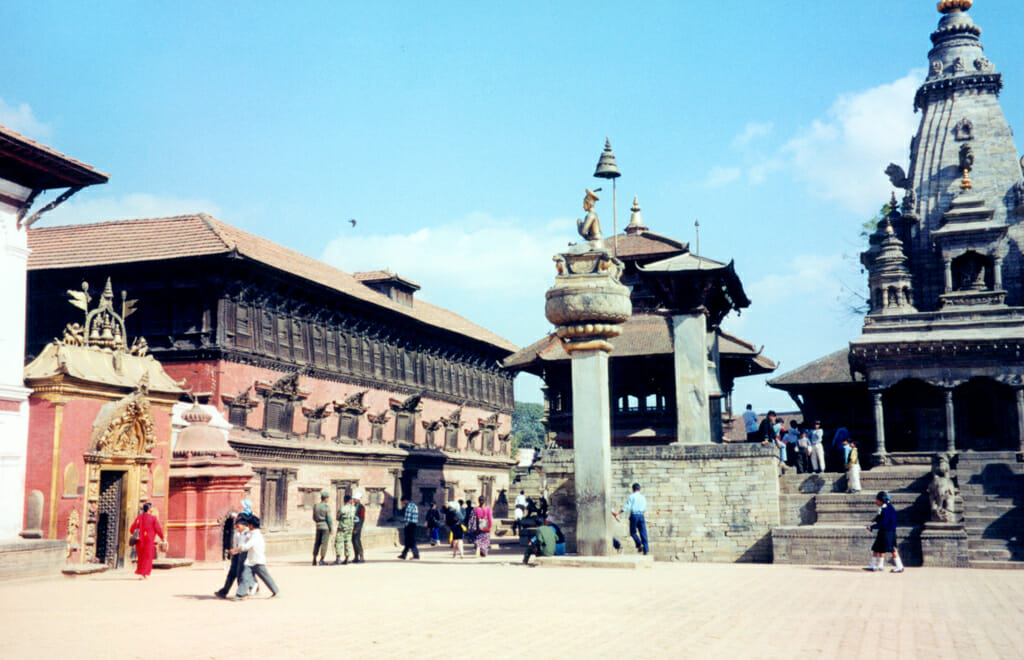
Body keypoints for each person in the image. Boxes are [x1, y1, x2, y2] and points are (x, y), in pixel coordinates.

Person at [232, 515, 279, 599]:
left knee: (265, 577)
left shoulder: (256, 536)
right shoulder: (253, 533)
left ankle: (275, 591)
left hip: (257, 560)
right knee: (244, 576)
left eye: (248, 525)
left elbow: (246, 547)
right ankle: (240, 594)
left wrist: (235, 550)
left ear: (251, 526)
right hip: (250, 561)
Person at [214, 499, 252, 598]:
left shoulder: (248, 532)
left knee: (241, 573)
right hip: (236, 553)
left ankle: (242, 592)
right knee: (232, 573)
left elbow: (246, 545)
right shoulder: (238, 531)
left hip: (243, 553)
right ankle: (224, 591)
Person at [866, 491, 904, 573]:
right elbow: (881, 518)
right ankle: (874, 565)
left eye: (877, 500)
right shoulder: (888, 507)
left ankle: (899, 566)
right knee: (877, 547)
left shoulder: (885, 509)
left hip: (887, 531)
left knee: (892, 549)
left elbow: (884, 522)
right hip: (887, 531)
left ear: (881, 500)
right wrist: (875, 519)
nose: (876, 501)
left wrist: (872, 527)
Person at [129, 502, 165, 579]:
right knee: (148, 557)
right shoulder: (153, 518)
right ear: (149, 509)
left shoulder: (139, 517)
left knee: (141, 557)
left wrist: (135, 535)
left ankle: (142, 573)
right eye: (151, 507)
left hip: (139, 541)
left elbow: (132, 529)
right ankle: (144, 573)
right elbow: (158, 529)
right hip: (148, 540)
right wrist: (162, 537)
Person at [613, 482, 649, 555]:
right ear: (639, 489)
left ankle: (639, 544)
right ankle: (646, 550)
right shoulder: (643, 497)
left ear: (633, 489)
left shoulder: (631, 496)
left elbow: (627, 506)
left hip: (634, 515)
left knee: (633, 532)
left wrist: (618, 513)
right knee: (643, 533)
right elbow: (645, 508)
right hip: (641, 515)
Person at [333, 494, 356, 564]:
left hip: (342, 527)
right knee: (348, 542)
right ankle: (347, 558)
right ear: (350, 500)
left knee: (338, 542)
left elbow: (338, 518)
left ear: (344, 501)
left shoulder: (342, 508)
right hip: (350, 528)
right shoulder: (353, 508)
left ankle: (338, 558)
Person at [312, 490, 332, 566]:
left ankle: (314, 558)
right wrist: (331, 528)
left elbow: (313, 517)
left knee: (317, 542)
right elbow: (329, 519)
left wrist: (318, 522)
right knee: (324, 543)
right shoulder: (326, 507)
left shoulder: (316, 506)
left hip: (318, 526)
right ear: (326, 498)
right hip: (325, 526)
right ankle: (321, 559)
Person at [397, 495, 420, 560]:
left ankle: (416, 554)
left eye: (403, 501)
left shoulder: (409, 507)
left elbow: (408, 518)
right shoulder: (414, 506)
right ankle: (404, 554)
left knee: (411, 540)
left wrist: (402, 521)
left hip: (409, 525)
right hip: (414, 524)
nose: (403, 503)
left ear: (406, 500)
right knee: (408, 541)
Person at [351, 491, 366, 563]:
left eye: (355, 499)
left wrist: (357, 528)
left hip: (357, 527)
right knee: (353, 541)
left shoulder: (361, 507)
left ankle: (361, 556)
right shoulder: (353, 507)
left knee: (357, 541)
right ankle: (356, 556)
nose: (354, 500)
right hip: (353, 526)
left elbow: (362, 519)